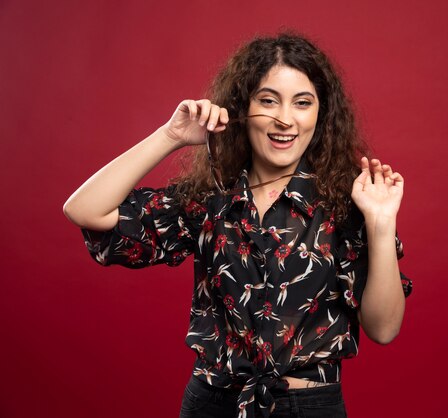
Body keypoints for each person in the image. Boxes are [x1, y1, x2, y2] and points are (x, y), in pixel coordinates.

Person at [63, 33, 412, 418]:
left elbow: (384, 329)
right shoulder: (208, 198)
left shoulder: (349, 203)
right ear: (242, 109)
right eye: (268, 100)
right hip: (212, 404)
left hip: (310, 406)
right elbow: (84, 210)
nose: (285, 118)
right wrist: (171, 136)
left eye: (302, 103)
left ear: (321, 113)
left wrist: (381, 225)